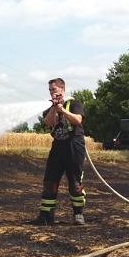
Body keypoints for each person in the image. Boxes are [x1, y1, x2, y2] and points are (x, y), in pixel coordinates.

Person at [33, 78, 86, 225]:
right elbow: (48, 123)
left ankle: (78, 214)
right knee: (50, 181)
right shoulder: (49, 107)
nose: (51, 93)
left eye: (54, 90)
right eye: (50, 90)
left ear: (62, 90)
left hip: (74, 145)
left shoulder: (74, 103)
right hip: (58, 146)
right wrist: (53, 109)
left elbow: (78, 120)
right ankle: (46, 216)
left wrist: (62, 110)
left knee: (75, 182)